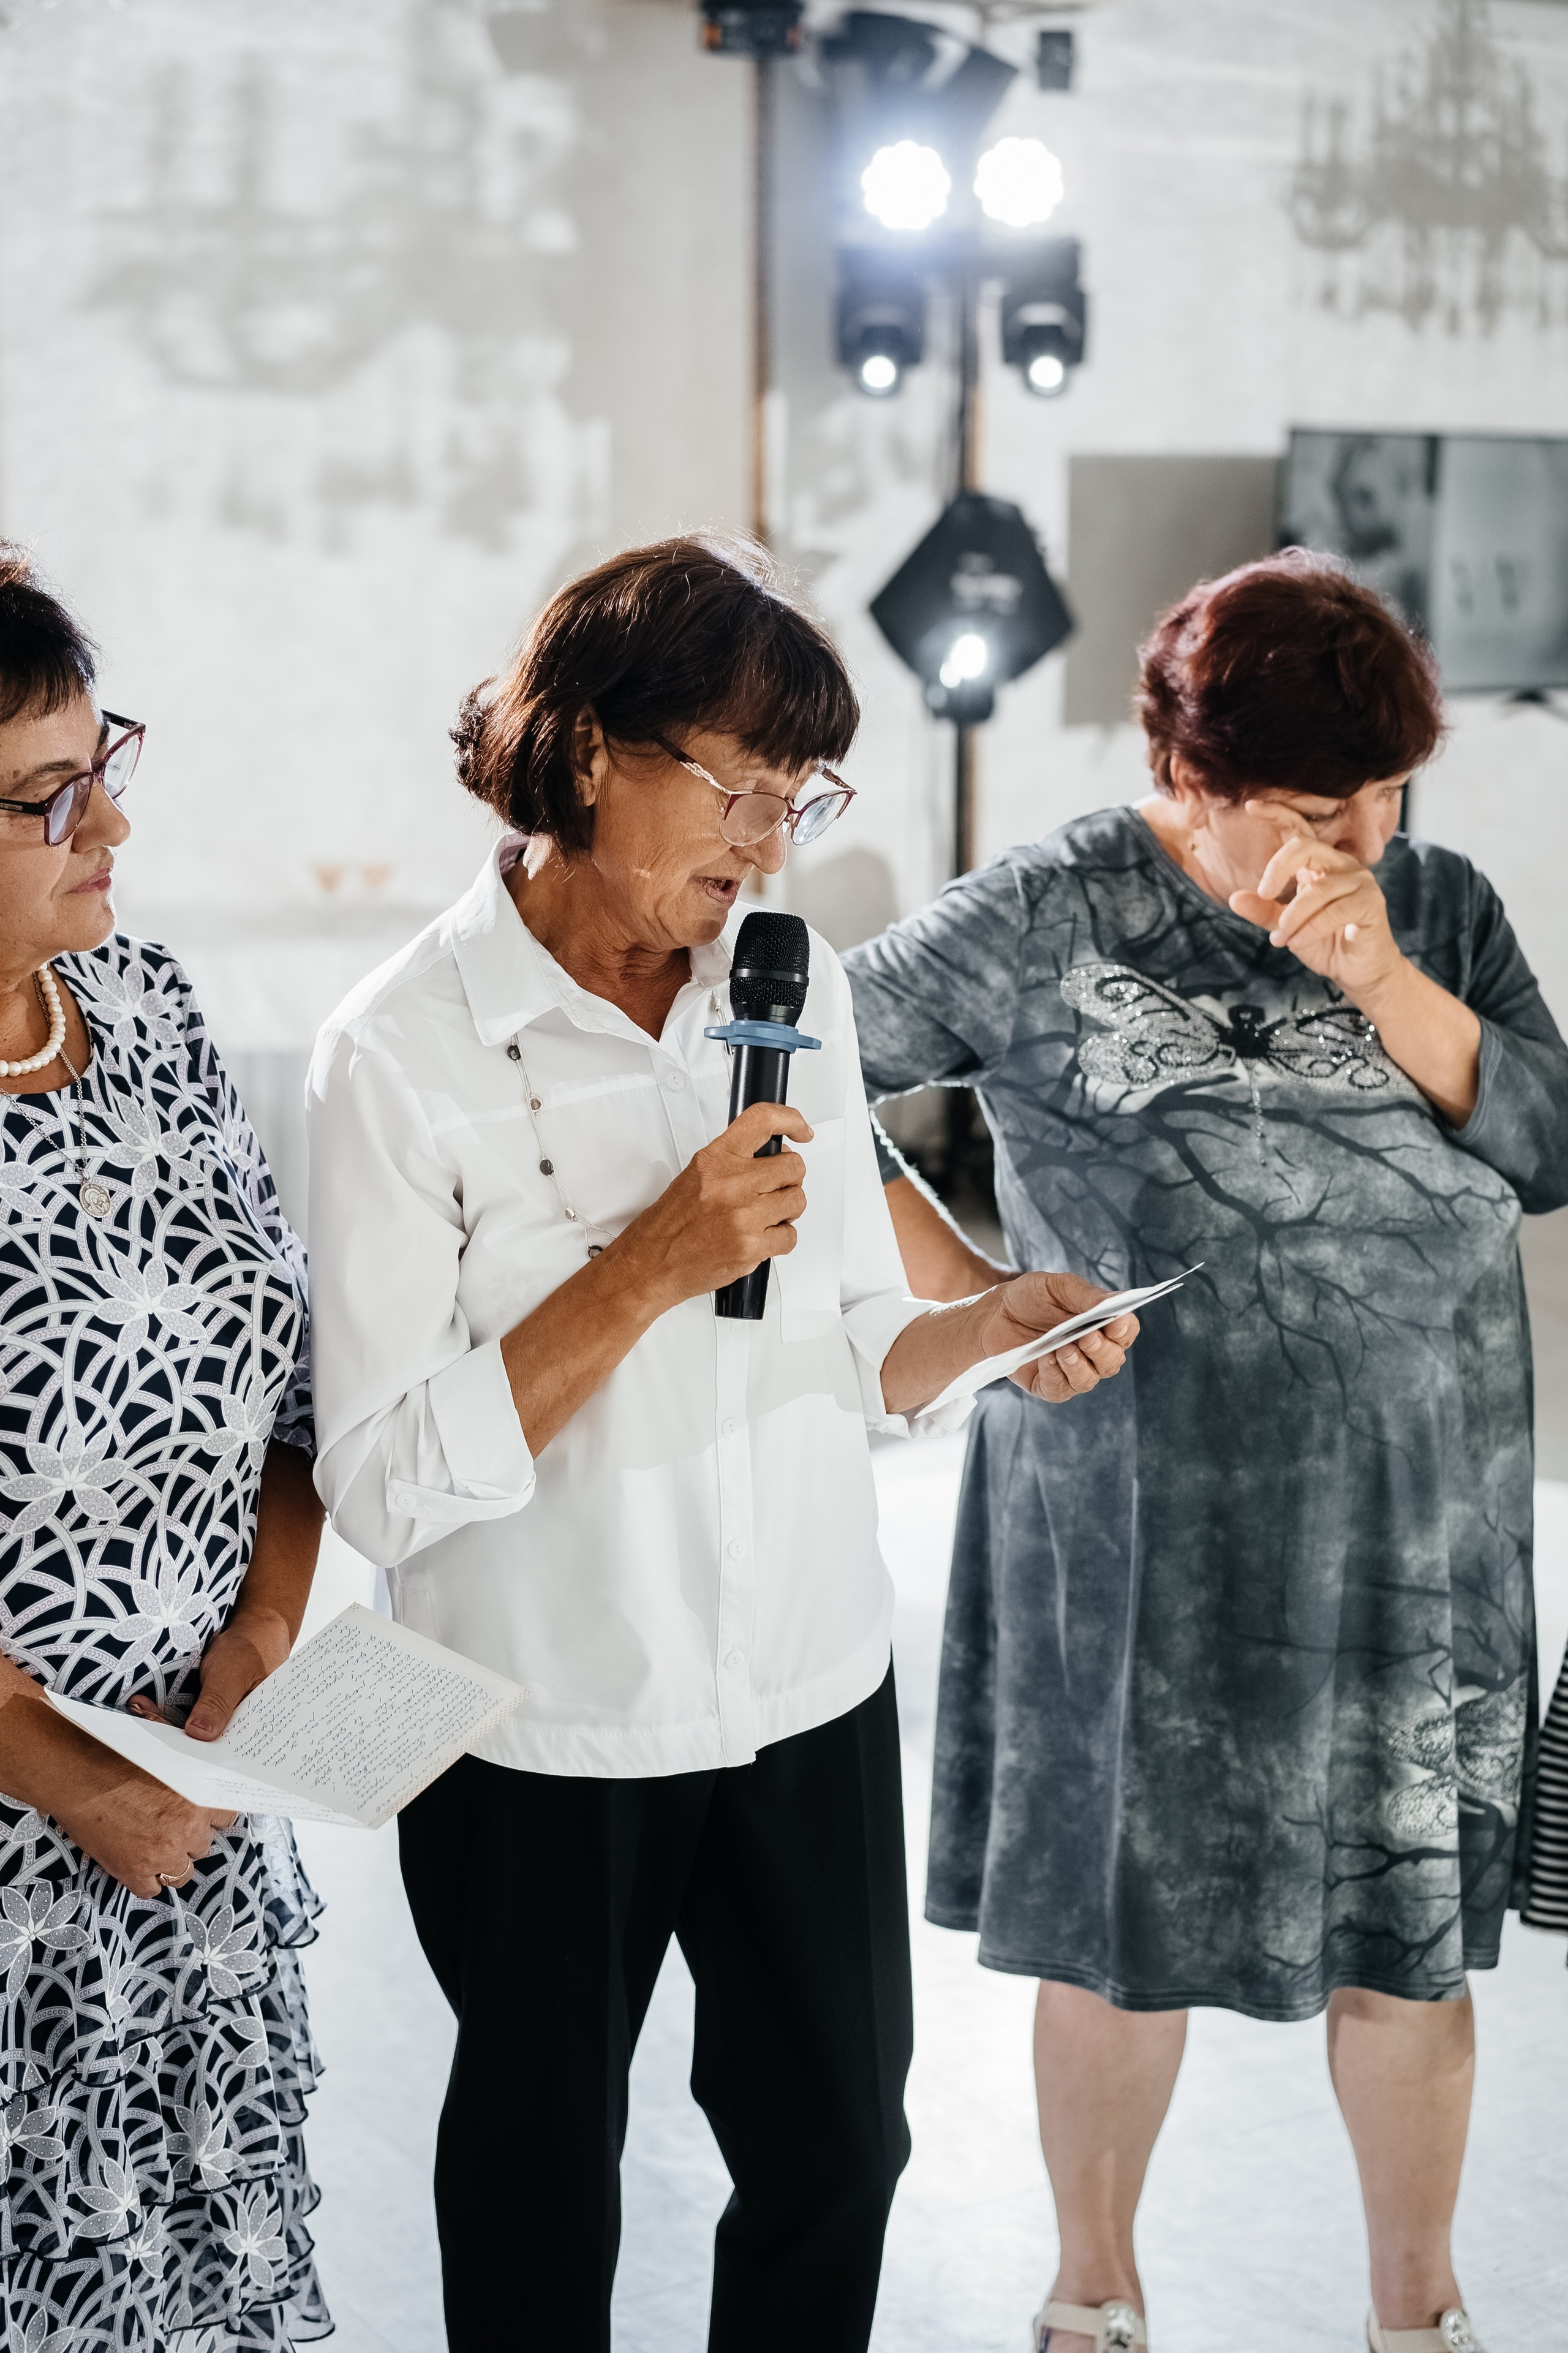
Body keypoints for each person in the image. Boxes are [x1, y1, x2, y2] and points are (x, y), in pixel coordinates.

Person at [304, 534, 1139, 2353]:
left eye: (800, 796)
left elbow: (848, 1332)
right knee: (539, 2177)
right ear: (591, 748)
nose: (773, 844)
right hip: (535, 1718)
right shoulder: (397, 1054)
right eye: (740, 790)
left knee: (839, 2151)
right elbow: (373, 1477)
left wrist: (979, 1330)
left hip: (805, 1686)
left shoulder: (789, 979)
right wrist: (647, 1268)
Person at [843, 550, 1568, 2353]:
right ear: (1191, 775)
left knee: (1410, 1944)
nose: (1364, 830)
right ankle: (1091, 2296)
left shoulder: (1439, 903)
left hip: (1418, 1525)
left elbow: (1548, 1141)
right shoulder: (1053, 907)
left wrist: (1385, 968)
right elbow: (778, 1055)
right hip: (1139, 1528)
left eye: (1392, 789)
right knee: (1116, 1927)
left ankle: (1424, 2311)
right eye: (1320, 804)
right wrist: (970, 1287)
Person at [0, 546, 330, 2350]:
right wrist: (60, 1768)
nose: (109, 823)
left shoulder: (155, 1017)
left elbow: (287, 1385)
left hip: (190, 1820)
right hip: (31, 1842)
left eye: (103, 761)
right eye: (51, 795)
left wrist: (263, 1645)